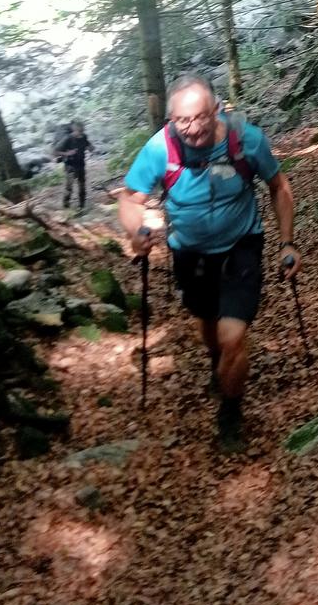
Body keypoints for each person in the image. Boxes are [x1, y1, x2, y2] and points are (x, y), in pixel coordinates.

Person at [118, 75, 301, 454]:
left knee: (233, 337)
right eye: (183, 121)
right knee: (206, 323)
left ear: (216, 111)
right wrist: (137, 233)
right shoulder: (160, 149)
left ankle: (231, 412)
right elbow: (131, 199)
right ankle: (217, 361)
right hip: (189, 253)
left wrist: (287, 242)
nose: (193, 128)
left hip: (241, 246)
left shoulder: (246, 140)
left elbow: (279, 187)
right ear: (171, 119)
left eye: (200, 117)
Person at [54, 121, 93, 210]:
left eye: (82, 132)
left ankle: (82, 206)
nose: (80, 134)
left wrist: (90, 148)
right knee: (69, 187)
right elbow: (55, 152)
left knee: (82, 185)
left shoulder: (84, 137)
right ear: (74, 130)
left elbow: (88, 145)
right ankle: (66, 206)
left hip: (81, 164)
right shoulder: (67, 139)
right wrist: (67, 153)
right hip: (70, 166)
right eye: (79, 132)